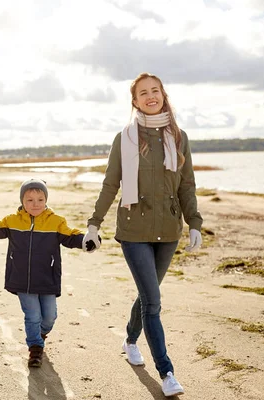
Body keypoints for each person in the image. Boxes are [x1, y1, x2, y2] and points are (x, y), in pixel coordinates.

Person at [83, 72, 203, 397]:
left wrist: (194, 222)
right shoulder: (124, 139)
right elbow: (111, 184)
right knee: (154, 302)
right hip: (133, 230)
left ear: (163, 95)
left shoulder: (179, 137)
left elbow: (187, 185)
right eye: (143, 93)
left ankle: (130, 339)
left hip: (168, 230)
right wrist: (94, 223)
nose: (150, 96)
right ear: (134, 101)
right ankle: (166, 372)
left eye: (155, 91)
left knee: (147, 297)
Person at [0, 179, 85, 367]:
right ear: (22, 201)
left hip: (47, 278)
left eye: (40, 200)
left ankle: (40, 334)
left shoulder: (56, 222)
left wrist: (86, 240)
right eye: (30, 200)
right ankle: (35, 348)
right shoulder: (13, 220)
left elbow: (70, 236)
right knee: (32, 315)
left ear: (46, 200)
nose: (36, 204)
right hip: (21, 279)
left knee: (49, 317)